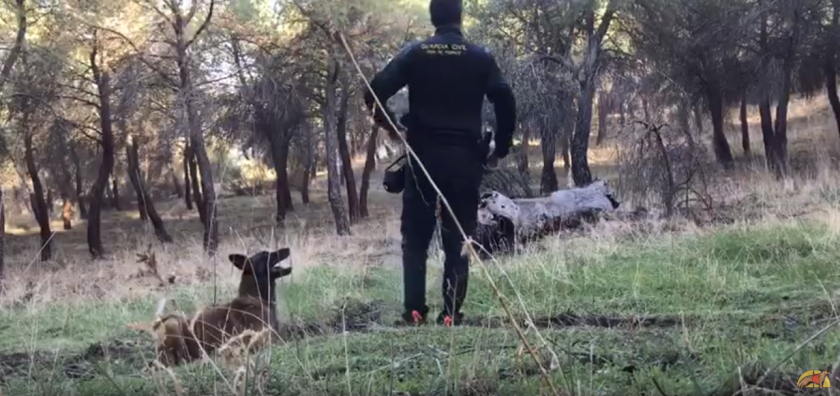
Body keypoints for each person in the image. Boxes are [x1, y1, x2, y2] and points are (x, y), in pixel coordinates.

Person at [363, 0, 516, 327]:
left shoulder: (416, 53)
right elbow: (505, 98)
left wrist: (391, 126)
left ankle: (415, 313)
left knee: (416, 239)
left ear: (433, 18)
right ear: (460, 16)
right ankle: (450, 314)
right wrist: (500, 148)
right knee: (459, 238)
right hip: (465, 161)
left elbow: (374, 90)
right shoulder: (480, 56)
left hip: (422, 159)